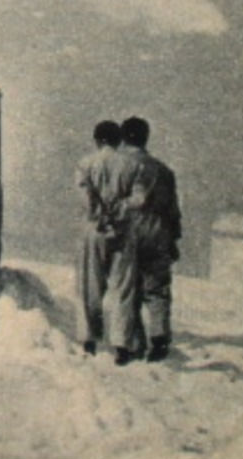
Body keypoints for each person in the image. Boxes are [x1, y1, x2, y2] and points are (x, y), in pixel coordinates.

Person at [107, 116, 183, 366]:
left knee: (125, 288)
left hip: (127, 231)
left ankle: (125, 345)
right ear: (145, 137)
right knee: (157, 288)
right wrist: (173, 238)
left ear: (123, 137)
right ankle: (159, 338)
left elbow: (110, 201)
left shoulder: (117, 164)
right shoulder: (163, 170)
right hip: (159, 231)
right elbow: (173, 210)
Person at [75, 119, 137, 357]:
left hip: (95, 229)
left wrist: (100, 215)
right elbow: (139, 198)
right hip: (123, 229)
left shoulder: (85, 163)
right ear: (119, 140)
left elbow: (85, 195)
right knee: (123, 287)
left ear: (97, 139)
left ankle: (90, 339)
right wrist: (119, 212)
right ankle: (121, 344)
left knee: (91, 284)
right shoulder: (131, 165)